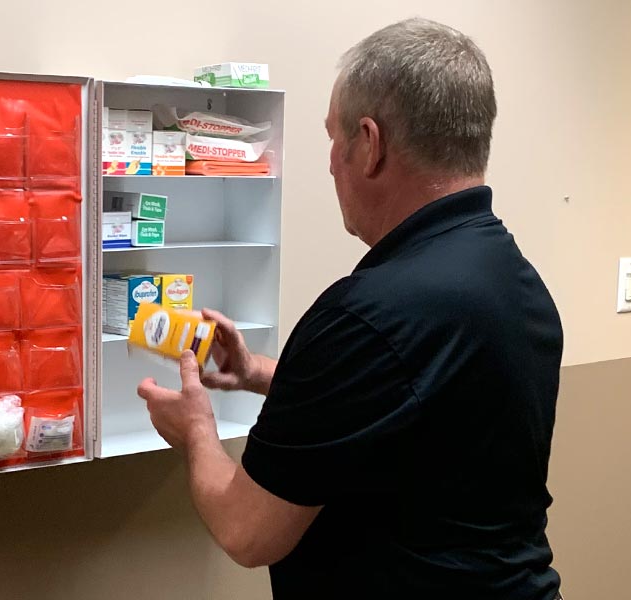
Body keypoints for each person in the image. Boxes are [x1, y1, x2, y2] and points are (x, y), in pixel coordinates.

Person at [137, 17, 564, 599]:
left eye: (334, 139)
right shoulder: (511, 279)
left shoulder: (368, 314)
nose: (330, 162)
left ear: (370, 143)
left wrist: (196, 431)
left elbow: (246, 532)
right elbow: (408, 403)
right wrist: (259, 373)